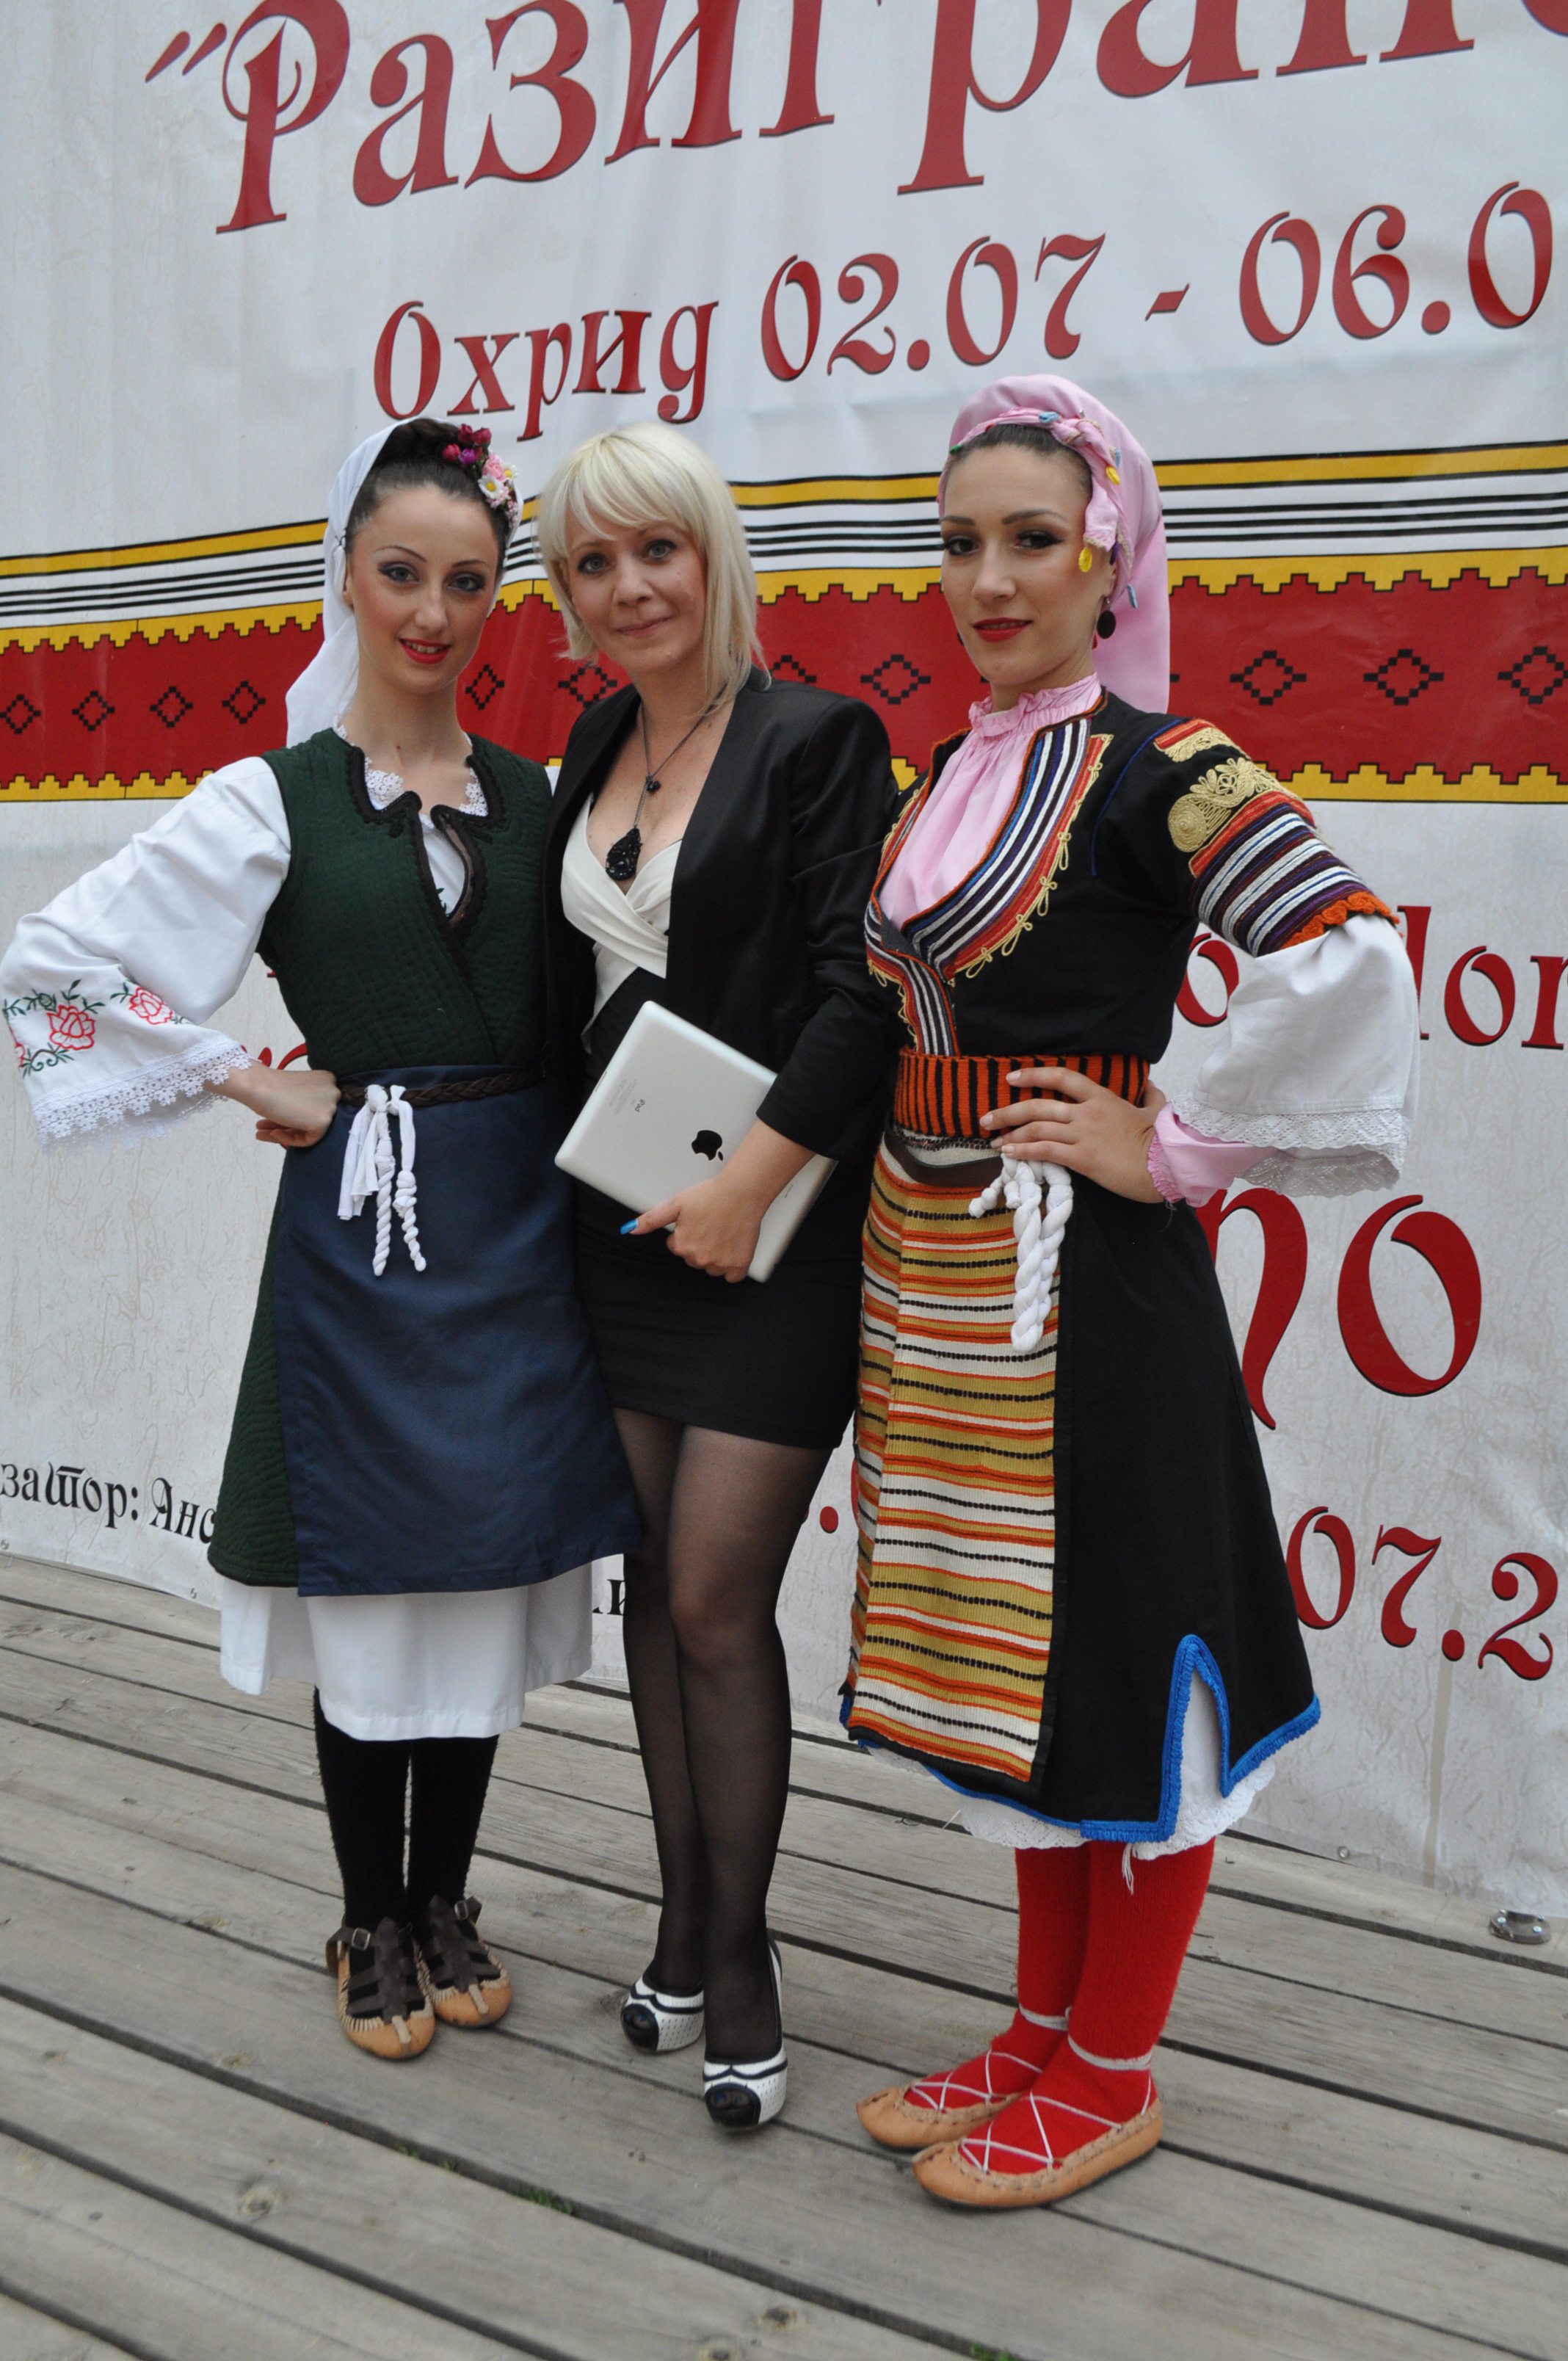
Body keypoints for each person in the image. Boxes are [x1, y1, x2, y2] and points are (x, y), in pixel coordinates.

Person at [843, 376, 1419, 2207]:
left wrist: (1173, 1145)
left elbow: (1345, 948)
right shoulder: (945, 778)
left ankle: (1112, 2068)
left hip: (1089, 1288)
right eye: (962, 543)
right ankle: (1039, 2031)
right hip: (940, 1275)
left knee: (1126, 1643)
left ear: (1114, 562)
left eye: (1036, 539)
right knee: (1019, 1661)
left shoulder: (1172, 766)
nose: (991, 580)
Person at [1, 418, 639, 2061]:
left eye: (467, 583)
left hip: (519, 1234)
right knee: (373, 1581)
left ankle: (447, 1899)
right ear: (347, 575)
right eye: (401, 573)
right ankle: (369, 1914)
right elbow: (51, 964)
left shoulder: (541, 799)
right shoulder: (269, 802)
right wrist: (241, 1075)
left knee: (484, 1576)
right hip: (366, 1229)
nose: (432, 612)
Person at [536, 421, 900, 2128]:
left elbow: (861, 994)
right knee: (649, 1598)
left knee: (710, 1601)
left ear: (712, 554)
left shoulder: (820, 738)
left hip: (774, 1236)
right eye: (594, 562)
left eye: (656, 549)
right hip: (619, 1238)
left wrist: (751, 1186)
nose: (630, 587)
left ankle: (744, 1960)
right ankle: (680, 1924)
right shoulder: (591, 740)